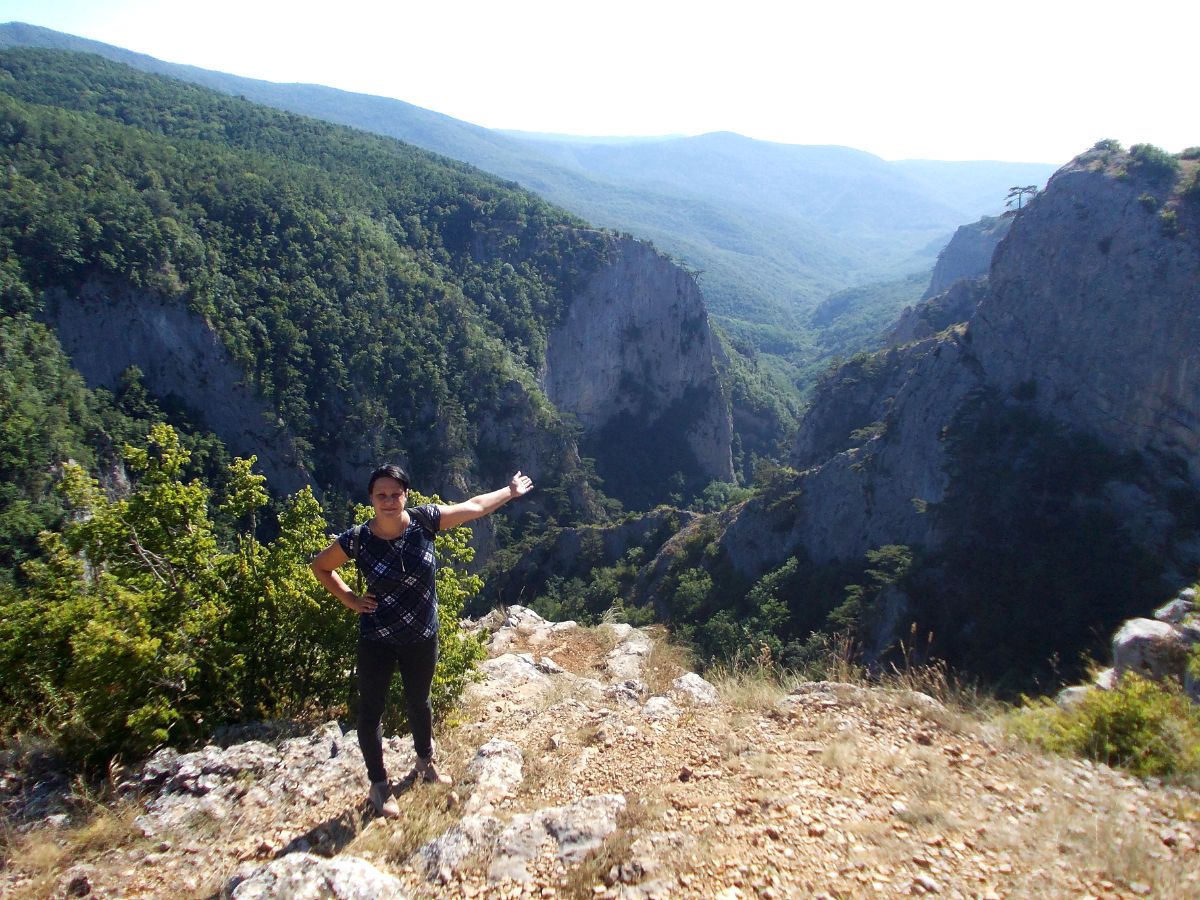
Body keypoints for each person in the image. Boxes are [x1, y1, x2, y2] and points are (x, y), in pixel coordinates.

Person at [310, 463, 534, 818]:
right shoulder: (358, 539)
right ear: (371, 498)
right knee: (371, 713)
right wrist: (351, 599)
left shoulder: (425, 521)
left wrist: (510, 491)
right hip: (377, 638)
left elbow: (474, 506)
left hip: (421, 635)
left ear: (406, 495)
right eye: (381, 495)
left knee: (420, 702)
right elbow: (321, 565)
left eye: (395, 494)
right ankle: (379, 785)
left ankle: (424, 765)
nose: (388, 501)